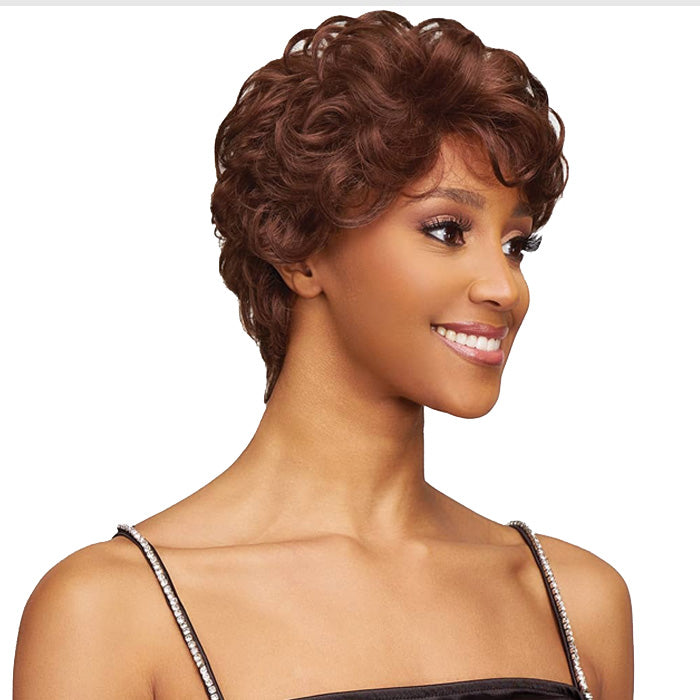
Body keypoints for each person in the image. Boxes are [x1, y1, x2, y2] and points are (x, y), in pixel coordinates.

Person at [13, 11, 633, 700]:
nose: (505, 287)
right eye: (446, 230)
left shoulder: (574, 601)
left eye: (517, 245)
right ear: (301, 249)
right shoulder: (113, 612)